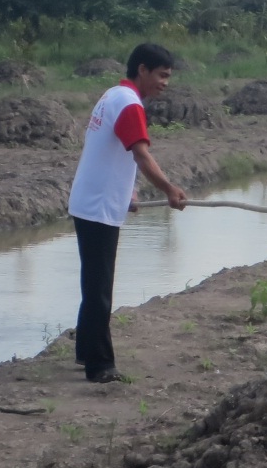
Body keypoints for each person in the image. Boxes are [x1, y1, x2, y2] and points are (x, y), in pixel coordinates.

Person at [69, 43, 187, 383]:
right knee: (99, 287)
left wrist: (128, 192)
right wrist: (170, 190)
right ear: (143, 70)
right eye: (162, 75)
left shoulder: (113, 95)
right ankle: (100, 366)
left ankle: (85, 353)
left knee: (93, 281)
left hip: (93, 200)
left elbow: (111, 151)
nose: (165, 83)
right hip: (97, 206)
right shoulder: (130, 104)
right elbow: (141, 156)